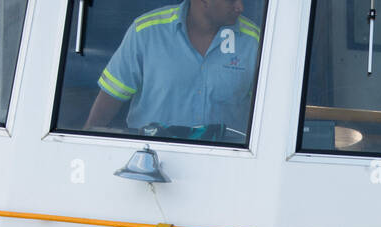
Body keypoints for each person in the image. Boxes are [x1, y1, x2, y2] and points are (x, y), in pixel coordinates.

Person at [85, 0, 260, 138]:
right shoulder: (146, 32)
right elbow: (108, 101)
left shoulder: (256, 42)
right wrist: (85, 148)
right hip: (151, 161)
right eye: (231, 0)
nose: (241, 7)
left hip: (230, 166)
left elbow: (267, 116)